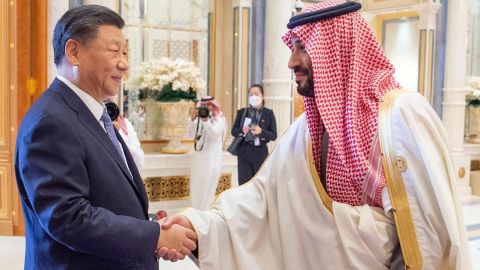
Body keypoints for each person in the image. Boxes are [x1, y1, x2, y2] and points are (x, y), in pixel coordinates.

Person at [159, 1, 471, 270]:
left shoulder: (401, 117)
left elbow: (432, 233)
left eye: (303, 47)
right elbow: (262, 202)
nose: (292, 61)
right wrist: (198, 227)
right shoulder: (305, 130)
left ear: (337, 49)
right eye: (292, 46)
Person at [14, 5, 196, 269]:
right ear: (73, 52)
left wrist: (151, 232)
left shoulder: (93, 114)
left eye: (125, 52)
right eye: (114, 51)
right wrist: (155, 236)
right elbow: (69, 218)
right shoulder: (50, 122)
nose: (124, 63)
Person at [231, 84, 277, 185]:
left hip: (260, 152)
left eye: (256, 94)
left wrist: (261, 132)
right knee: (244, 184)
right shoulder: (242, 112)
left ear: (262, 96)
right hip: (244, 152)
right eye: (251, 94)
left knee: (259, 184)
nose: (253, 97)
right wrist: (242, 130)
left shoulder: (268, 113)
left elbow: (273, 135)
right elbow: (234, 131)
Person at [187, 96, 226, 210]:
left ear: (213, 106)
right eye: (203, 105)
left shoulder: (219, 119)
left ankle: (204, 215)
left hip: (211, 162)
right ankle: (195, 213)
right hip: (198, 161)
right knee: (196, 187)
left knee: (207, 189)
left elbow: (214, 135)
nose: (206, 108)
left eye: (208, 105)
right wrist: (193, 119)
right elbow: (189, 133)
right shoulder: (199, 119)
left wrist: (206, 122)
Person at [107, 95, 145, 170]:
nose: (109, 98)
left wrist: (118, 133)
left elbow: (139, 163)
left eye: (112, 95)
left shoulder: (125, 124)